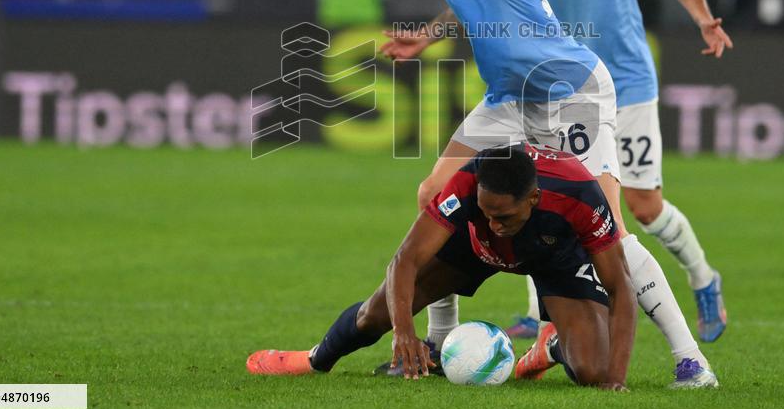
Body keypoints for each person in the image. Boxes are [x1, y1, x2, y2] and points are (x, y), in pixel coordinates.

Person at [187, 0, 716, 387]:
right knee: (434, 193)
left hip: (573, 93)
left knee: (610, 225)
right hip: (510, 98)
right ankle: (438, 345)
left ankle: (691, 360)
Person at [499, 0, 731, 346]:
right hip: (563, 88)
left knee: (644, 207)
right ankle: (543, 314)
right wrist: (429, 36)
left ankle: (702, 277)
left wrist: (704, 21)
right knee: (545, 194)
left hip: (625, 82)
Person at [247, 145, 639, 389]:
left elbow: (621, 287)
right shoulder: (468, 182)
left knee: (594, 373)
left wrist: (616, 382)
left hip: (555, 258)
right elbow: (406, 259)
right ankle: (312, 360)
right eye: (485, 212)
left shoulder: (580, 195)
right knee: (374, 315)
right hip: (474, 250)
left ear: (534, 198)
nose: (494, 223)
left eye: (503, 216)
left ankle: (551, 346)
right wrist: (404, 332)